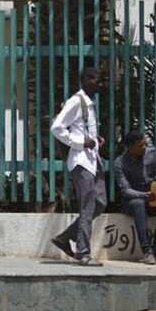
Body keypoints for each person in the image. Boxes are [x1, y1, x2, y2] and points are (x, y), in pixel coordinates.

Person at [48, 67, 103, 266]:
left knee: (100, 203)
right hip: (81, 161)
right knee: (88, 205)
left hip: (93, 159)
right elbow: (56, 127)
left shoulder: (89, 104)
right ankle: (83, 252)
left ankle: (65, 238)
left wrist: (95, 140)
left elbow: (84, 130)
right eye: (95, 79)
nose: (99, 83)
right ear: (86, 80)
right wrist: (80, 142)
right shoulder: (76, 101)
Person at [115, 130, 156, 264]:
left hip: (153, 197)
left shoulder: (153, 154)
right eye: (140, 146)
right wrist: (144, 196)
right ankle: (147, 251)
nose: (144, 147)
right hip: (132, 201)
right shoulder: (120, 163)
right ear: (130, 148)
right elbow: (126, 190)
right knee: (138, 203)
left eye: (144, 144)